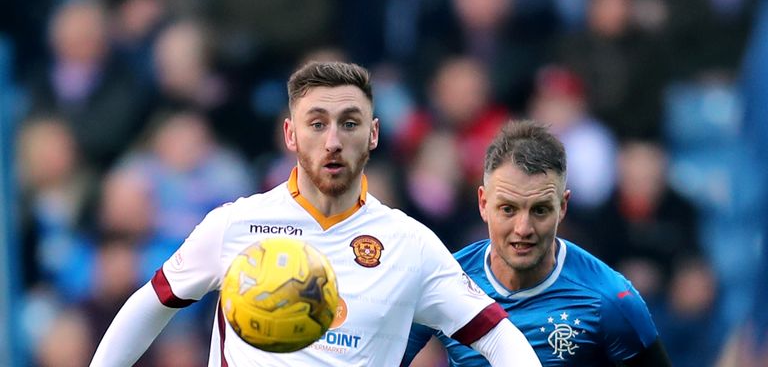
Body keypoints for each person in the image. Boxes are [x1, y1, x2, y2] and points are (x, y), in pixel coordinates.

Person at [89, 61, 541, 366]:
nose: (332, 140)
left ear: (373, 135)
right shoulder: (235, 225)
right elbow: (150, 305)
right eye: (317, 123)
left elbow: (497, 335)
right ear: (290, 133)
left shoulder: (410, 244)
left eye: (349, 123)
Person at [402, 120, 672, 366]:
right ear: (483, 204)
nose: (523, 229)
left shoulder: (608, 298)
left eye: (540, 210)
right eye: (508, 209)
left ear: (562, 206)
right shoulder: (444, 281)